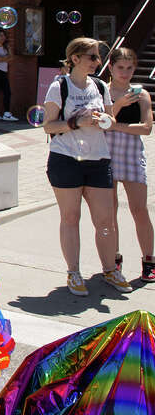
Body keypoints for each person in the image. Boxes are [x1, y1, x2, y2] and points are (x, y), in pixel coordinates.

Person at [42, 37, 130, 295]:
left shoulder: (101, 86)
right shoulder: (60, 86)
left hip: (98, 159)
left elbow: (110, 120)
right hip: (65, 159)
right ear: (75, 58)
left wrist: (105, 119)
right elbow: (48, 126)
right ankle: (74, 272)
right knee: (71, 217)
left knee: (106, 220)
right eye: (93, 56)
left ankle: (110, 270)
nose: (98, 62)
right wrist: (76, 122)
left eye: (99, 57)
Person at [105, 47, 155, 281]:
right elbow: (103, 120)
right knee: (109, 211)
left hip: (132, 154)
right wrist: (119, 105)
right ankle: (114, 260)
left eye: (129, 68)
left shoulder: (142, 94)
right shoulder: (103, 91)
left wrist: (116, 125)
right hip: (105, 153)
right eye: (120, 67)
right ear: (111, 67)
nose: (125, 73)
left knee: (139, 209)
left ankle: (148, 260)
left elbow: (146, 128)